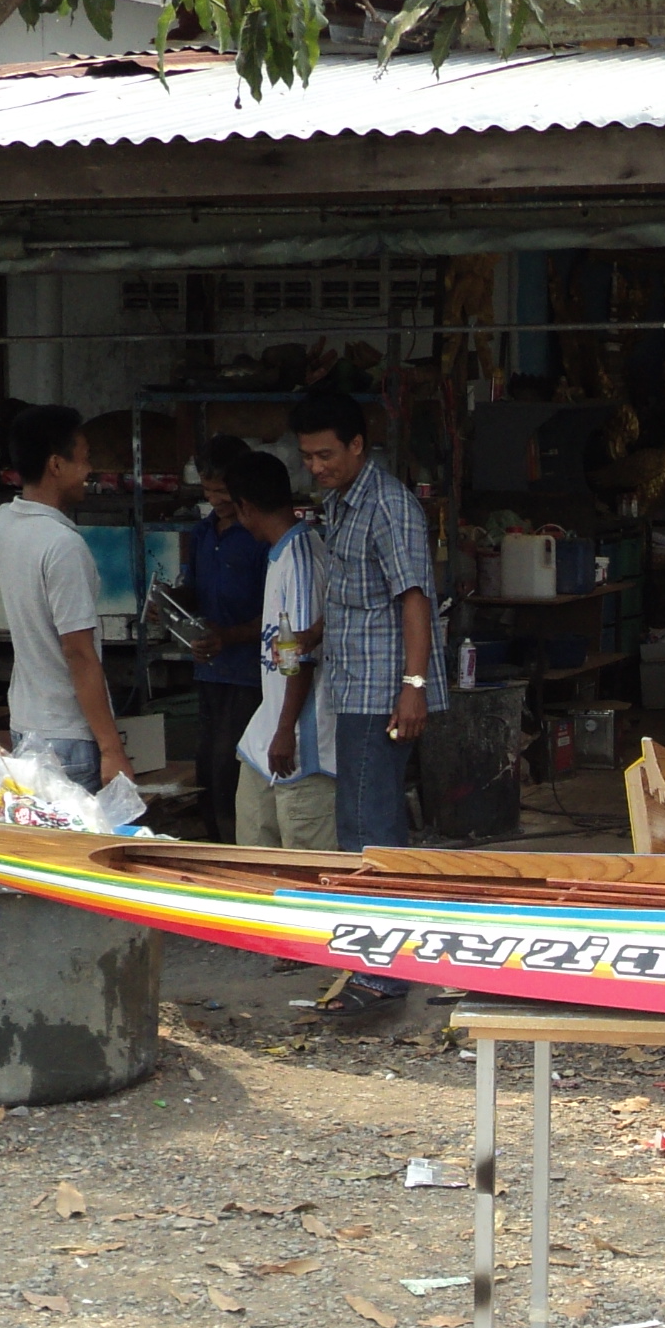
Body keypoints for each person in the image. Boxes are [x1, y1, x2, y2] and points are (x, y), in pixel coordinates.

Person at [293, 386, 445, 1011]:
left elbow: (414, 597)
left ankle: (384, 972)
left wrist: (413, 688)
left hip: (384, 692)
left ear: (358, 445)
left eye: (325, 455)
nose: (316, 467)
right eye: (307, 457)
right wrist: (315, 635)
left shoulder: (387, 504)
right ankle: (371, 960)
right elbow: (358, 594)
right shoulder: (341, 503)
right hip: (354, 685)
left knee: (372, 827)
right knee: (358, 823)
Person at [0, 403, 131, 792]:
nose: (89, 471)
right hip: (67, 737)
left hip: (26, 724)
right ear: (56, 464)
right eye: (83, 459)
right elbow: (78, 653)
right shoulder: (63, 545)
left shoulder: (3, 521)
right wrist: (112, 749)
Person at [225, 451, 337, 850]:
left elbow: (302, 658)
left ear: (245, 508)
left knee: (304, 860)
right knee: (254, 846)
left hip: (300, 740)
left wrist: (286, 730)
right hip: (267, 733)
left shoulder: (301, 559)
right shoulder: (282, 553)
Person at [186, 433, 267, 842]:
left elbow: (276, 615)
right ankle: (214, 841)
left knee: (229, 768)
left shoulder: (258, 538)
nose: (215, 499)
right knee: (206, 768)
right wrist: (170, 604)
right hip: (209, 671)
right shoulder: (202, 534)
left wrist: (229, 636)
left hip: (248, 673)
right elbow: (193, 591)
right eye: (208, 490)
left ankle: (234, 846)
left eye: (222, 490)